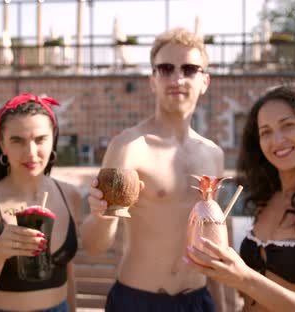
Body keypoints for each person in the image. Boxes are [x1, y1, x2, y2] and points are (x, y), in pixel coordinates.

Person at [80, 27, 226, 312]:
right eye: (166, 69)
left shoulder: (213, 155)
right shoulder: (130, 146)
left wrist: (221, 304)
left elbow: (211, 241)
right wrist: (101, 214)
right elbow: (94, 246)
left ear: (204, 81)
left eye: (189, 69)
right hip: (139, 300)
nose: (177, 78)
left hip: (198, 300)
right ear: (152, 80)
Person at [185, 82, 295, 311]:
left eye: (287, 125)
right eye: (265, 131)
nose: (276, 140)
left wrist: (243, 277)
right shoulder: (266, 198)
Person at [0, 94, 80, 312]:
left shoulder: (70, 195)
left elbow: (69, 274)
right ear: (2, 144)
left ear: (53, 138)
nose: (30, 153)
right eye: (17, 141)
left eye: (40, 139)